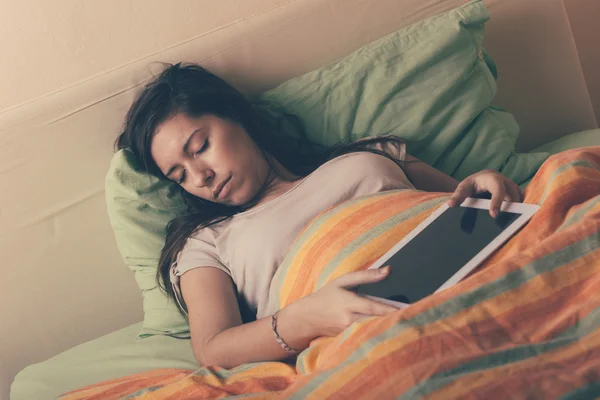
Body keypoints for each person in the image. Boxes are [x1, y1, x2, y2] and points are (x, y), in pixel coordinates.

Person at [116, 62, 523, 369]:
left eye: (200, 146)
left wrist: (486, 185)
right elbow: (212, 349)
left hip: (479, 267)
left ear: (233, 115)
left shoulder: (371, 153)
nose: (200, 176)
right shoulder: (206, 241)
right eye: (179, 175)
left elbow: (458, 200)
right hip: (373, 333)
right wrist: (302, 319)